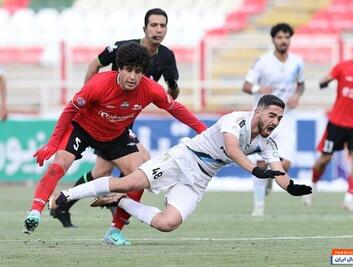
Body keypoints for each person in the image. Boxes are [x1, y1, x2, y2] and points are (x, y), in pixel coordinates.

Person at [54, 95, 312, 237]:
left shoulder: (268, 142)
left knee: (168, 224)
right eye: (272, 115)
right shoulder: (236, 121)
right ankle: (67, 195)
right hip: (183, 159)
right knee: (130, 181)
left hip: (199, 179)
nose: (276, 121)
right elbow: (232, 150)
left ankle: (118, 201)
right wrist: (256, 171)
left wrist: (290, 188)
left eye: (279, 118)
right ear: (258, 111)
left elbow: (278, 171)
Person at [24, 42, 207, 236]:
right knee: (59, 164)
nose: (132, 77)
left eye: (138, 71)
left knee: (139, 178)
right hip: (83, 129)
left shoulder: (150, 89)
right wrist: (53, 143)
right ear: (119, 68)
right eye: (128, 70)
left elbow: (176, 108)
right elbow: (70, 110)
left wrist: (203, 130)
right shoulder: (98, 84)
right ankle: (35, 212)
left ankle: (115, 232)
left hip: (116, 134)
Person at [50, 8, 179, 231]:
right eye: (154, 25)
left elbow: (171, 94)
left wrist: (173, 87)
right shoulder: (123, 47)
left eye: (162, 25)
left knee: (103, 172)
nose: (158, 30)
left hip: (125, 121)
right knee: (139, 168)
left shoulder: (167, 56)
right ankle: (114, 208)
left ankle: (66, 204)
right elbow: (94, 64)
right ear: (145, 28)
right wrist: (87, 99)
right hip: (105, 121)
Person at [303, 34, 353, 211]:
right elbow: (327, 77)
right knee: (324, 159)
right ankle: (313, 186)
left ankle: (349, 198)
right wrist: (324, 82)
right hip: (337, 123)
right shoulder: (343, 66)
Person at [242, 23, 305, 216]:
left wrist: (297, 95)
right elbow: (246, 85)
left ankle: (270, 179)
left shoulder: (297, 62)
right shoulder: (263, 62)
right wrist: (258, 89)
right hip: (262, 120)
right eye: (279, 37)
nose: (283, 40)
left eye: (286, 37)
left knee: (284, 164)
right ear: (273, 40)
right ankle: (259, 205)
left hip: (286, 119)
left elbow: (301, 85)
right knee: (260, 164)